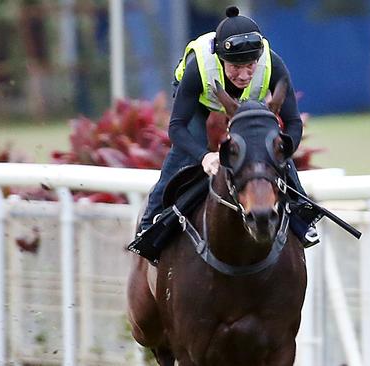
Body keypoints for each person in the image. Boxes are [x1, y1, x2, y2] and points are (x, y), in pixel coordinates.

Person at [132, 5, 321, 262]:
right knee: (185, 152)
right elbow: (176, 127)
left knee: (271, 150)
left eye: (250, 66)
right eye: (235, 66)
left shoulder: (273, 64)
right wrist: (203, 157)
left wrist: (281, 152)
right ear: (220, 59)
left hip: (249, 106)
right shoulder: (199, 68)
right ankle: (150, 224)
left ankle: (302, 220)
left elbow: (293, 123)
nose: (244, 75)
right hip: (201, 101)